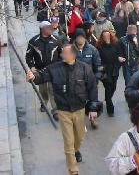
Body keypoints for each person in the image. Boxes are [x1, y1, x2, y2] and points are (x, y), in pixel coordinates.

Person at [26, 44, 98, 175]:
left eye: (64, 53)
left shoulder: (84, 68)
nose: (61, 55)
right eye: (62, 52)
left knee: (80, 137)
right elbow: (41, 77)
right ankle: (73, 170)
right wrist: (33, 77)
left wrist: (93, 107)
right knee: (69, 142)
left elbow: (93, 87)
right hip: (63, 111)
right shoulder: (54, 68)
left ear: (73, 55)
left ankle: (76, 150)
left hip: (80, 109)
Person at [25, 21, 61, 120]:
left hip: (53, 70)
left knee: (53, 90)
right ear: (42, 29)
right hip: (40, 70)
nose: (51, 29)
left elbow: (61, 54)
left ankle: (55, 110)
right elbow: (28, 56)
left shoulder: (56, 40)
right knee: (43, 90)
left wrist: (59, 65)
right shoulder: (33, 41)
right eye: (49, 28)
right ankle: (43, 102)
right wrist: (32, 66)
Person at [96, 30, 121, 117]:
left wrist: (119, 59)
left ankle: (108, 99)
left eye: (108, 35)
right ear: (102, 37)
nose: (106, 37)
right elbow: (98, 59)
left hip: (114, 69)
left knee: (113, 87)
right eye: (104, 36)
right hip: (105, 71)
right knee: (108, 87)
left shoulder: (115, 45)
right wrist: (100, 67)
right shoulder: (99, 47)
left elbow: (119, 55)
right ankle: (110, 109)